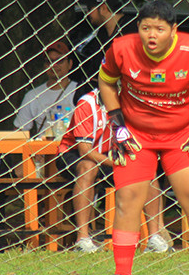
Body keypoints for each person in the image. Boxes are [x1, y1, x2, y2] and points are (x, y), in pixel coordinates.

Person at [98, 0, 189, 275]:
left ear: (173, 30)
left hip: (181, 135)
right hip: (136, 135)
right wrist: (117, 124)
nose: (151, 35)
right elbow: (106, 82)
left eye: (159, 29)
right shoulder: (121, 48)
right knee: (127, 199)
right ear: (137, 28)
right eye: (145, 28)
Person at [56, 89, 168, 253]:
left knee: (147, 169)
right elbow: (85, 151)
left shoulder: (132, 102)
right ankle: (83, 239)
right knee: (88, 167)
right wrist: (117, 163)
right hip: (73, 154)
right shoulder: (87, 104)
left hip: (109, 155)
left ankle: (155, 237)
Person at [13, 39, 80, 137]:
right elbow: (19, 132)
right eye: (49, 61)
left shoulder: (80, 91)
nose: (54, 65)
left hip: (74, 145)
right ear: (45, 66)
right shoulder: (33, 96)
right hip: (44, 146)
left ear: (70, 64)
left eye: (59, 61)